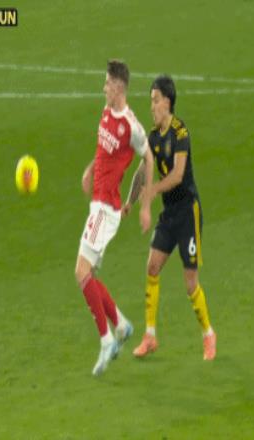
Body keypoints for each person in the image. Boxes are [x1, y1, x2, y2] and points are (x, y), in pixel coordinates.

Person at [123, 75, 216, 361]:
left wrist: (152, 191)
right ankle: (150, 336)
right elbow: (143, 171)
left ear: (167, 102)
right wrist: (129, 201)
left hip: (188, 213)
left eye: (155, 101)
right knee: (152, 267)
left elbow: (177, 175)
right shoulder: (153, 137)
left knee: (190, 283)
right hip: (169, 215)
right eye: (150, 101)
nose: (151, 106)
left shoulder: (180, 132)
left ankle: (208, 335)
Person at [75, 60, 153, 376]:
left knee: (81, 272)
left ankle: (106, 339)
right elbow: (102, 150)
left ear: (119, 87)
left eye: (107, 83)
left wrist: (143, 204)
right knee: (89, 274)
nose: (104, 87)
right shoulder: (106, 111)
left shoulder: (132, 127)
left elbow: (149, 159)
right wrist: (90, 170)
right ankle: (120, 325)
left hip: (107, 209)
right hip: (98, 204)